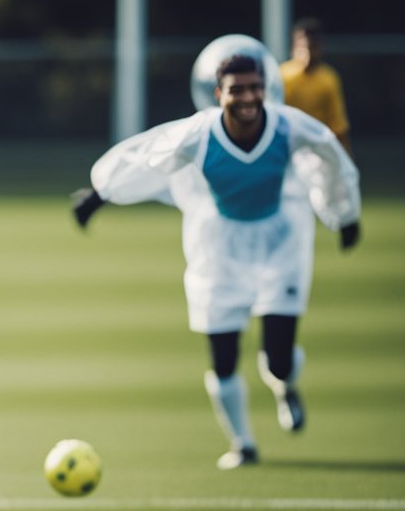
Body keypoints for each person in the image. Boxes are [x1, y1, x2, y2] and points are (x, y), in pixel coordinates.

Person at [73, 44, 360, 470]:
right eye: (236, 90)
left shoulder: (288, 127)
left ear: (266, 89)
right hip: (219, 247)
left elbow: (330, 158)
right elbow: (146, 158)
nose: (247, 98)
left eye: (254, 88)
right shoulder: (199, 134)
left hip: (281, 242)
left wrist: (345, 214)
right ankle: (242, 443)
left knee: (278, 360)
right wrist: (100, 196)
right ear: (217, 95)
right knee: (223, 355)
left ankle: (285, 387)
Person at [280, 18, 352, 155]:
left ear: (319, 48)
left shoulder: (329, 78)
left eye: (311, 48)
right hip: (287, 146)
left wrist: (346, 158)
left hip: (318, 147)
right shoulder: (282, 76)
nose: (306, 54)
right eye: (302, 48)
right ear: (293, 47)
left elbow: (338, 123)